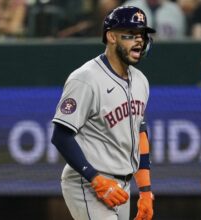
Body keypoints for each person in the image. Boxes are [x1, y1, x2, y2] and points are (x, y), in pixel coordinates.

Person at [51, 6, 155, 220]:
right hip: (88, 182)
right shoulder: (86, 78)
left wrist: (145, 192)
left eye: (142, 35)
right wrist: (95, 179)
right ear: (111, 37)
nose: (139, 41)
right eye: (131, 35)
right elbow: (60, 135)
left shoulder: (141, 81)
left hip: (122, 185)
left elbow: (140, 134)